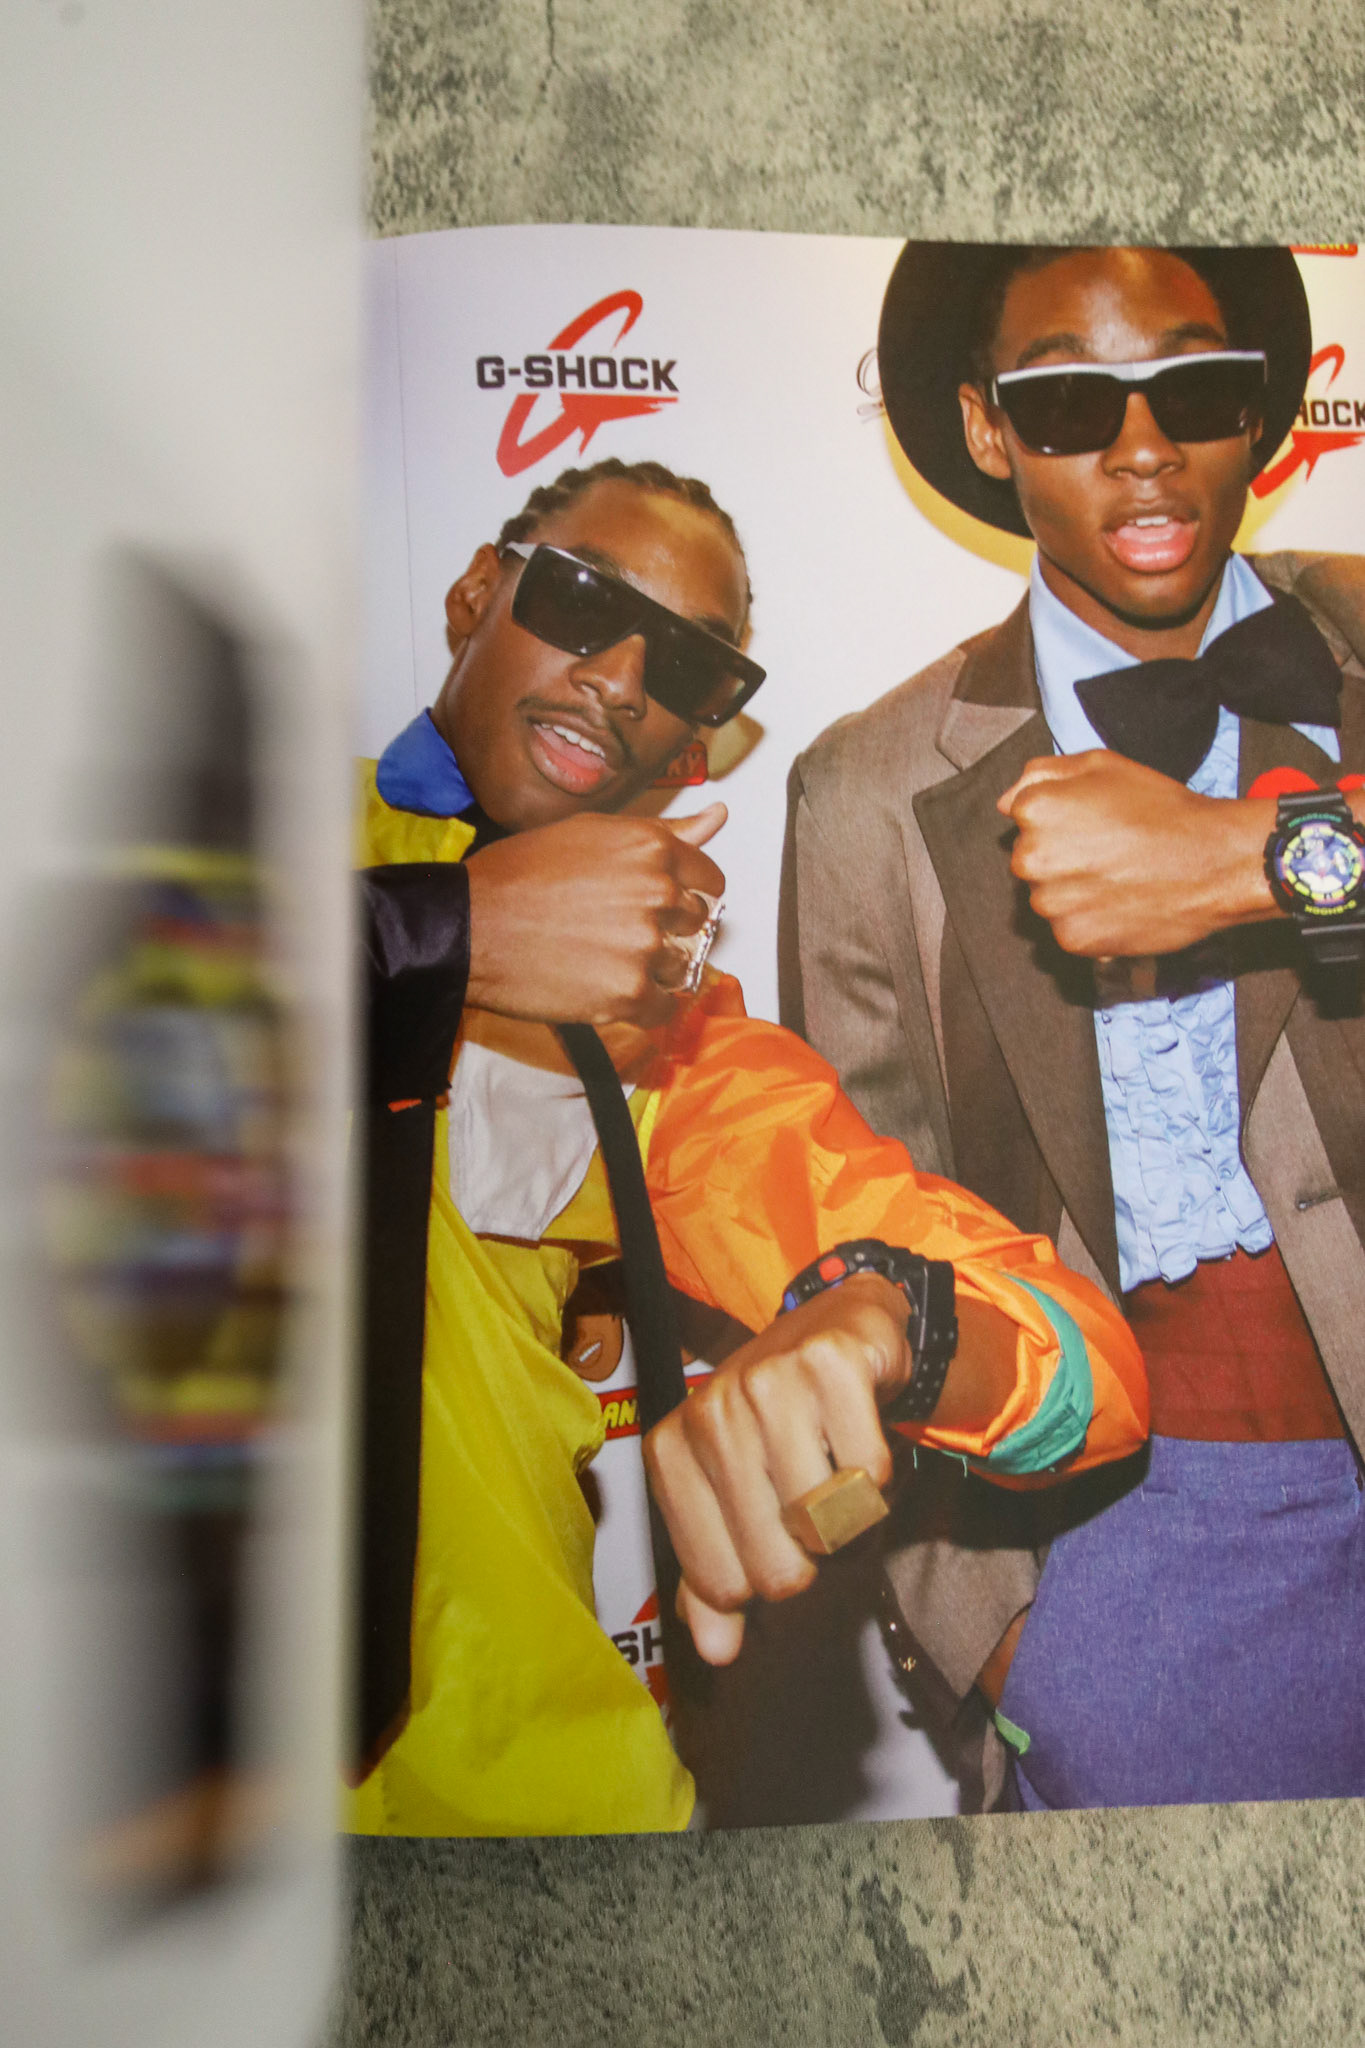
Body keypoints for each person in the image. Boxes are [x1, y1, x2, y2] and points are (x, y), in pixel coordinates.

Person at [349, 454, 1147, 1835]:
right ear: (476, 591)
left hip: (525, 1819)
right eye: (584, 601)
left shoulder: (664, 1036)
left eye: (686, 667)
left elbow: (1088, 1369)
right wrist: (440, 936)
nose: (621, 679)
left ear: (695, 738)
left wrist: (894, 1319)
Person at [782, 242, 1365, 1811]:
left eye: (1192, 389)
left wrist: (1259, 858)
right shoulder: (869, 787)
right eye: (1067, 404)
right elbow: (860, 1219)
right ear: (986, 429)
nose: (1143, 445)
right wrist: (993, 1630)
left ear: (1259, 409)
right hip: (1137, 1556)